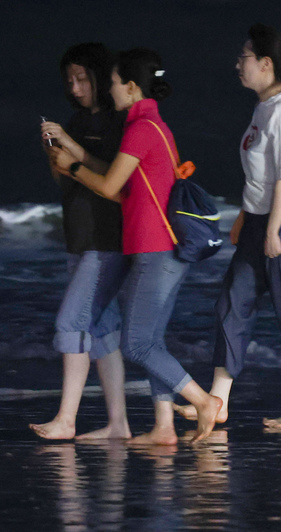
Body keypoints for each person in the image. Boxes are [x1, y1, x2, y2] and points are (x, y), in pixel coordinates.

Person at [50, 48, 222, 445]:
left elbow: (110, 187)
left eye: (111, 84)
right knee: (150, 340)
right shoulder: (151, 125)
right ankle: (164, 429)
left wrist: (71, 168)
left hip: (155, 248)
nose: (108, 91)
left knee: (137, 343)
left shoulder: (140, 129)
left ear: (129, 86)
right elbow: (120, 179)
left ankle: (202, 401)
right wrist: (72, 150)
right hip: (157, 248)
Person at [180, 25, 281, 430]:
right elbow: (261, 176)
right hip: (261, 219)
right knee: (232, 301)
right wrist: (247, 216)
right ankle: (217, 401)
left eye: (244, 57)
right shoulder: (263, 110)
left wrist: (274, 229)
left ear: (266, 64)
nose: (237, 64)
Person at [32, 43, 131, 440]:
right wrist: (51, 151)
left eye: (82, 79)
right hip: (78, 235)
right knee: (103, 331)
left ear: (100, 78)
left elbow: (112, 177)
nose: (74, 88)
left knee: (71, 323)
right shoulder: (74, 120)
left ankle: (66, 420)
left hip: (107, 239)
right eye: (69, 81)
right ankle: (119, 425)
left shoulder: (118, 121)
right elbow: (65, 177)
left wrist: (71, 148)